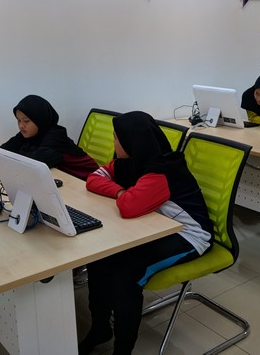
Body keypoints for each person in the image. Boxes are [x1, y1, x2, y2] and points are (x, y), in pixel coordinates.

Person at [81, 111, 212, 355]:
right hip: (155, 227)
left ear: (131, 142)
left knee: (127, 276)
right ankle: (100, 329)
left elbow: (128, 207)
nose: (113, 142)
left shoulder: (161, 171)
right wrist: (121, 191)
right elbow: (94, 178)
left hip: (189, 236)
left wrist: (123, 194)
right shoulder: (129, 161)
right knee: (99, 259)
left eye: (116, 138)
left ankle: (123, 350)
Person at [0, 94, 98, 180]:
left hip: (88, 178)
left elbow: (34, 163)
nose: (21, 125)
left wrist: (7, 161)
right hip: (67, 178)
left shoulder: (55, 137)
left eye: (26, 121)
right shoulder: (30, 133)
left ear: (40, 120)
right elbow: (4, 149)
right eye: (18, 120)